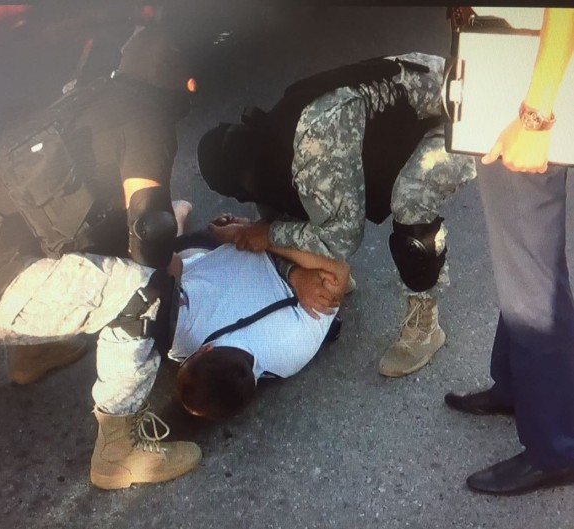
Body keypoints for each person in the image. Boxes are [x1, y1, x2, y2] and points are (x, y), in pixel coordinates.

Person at [0, 26, 202, 490]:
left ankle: (32, 353)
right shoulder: (146, 116)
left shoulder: (83, 95)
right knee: (144, 287)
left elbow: (77, 215)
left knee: (61, 237)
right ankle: (118, 451)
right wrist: (170, 261)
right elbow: (150, 232)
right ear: (187, 83)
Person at [197, 52, 476, 377]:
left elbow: (343, 236)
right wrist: (262, 230)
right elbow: (286, 199)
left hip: (457, 113)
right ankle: (321, 266)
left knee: (410, 201)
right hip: (405, 122)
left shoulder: (312, 142)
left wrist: (267, 235)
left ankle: (425, 328)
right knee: (292, 199)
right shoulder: (272, 142)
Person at [444, 8, 574, 495]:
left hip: (527, 86)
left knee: (533, 284)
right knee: (519, 261)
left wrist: (536, 116)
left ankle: (556, 448)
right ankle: (518, 387)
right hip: (506, 63)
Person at [169, 221, 350, 421]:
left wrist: (250, 235)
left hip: (231, 243)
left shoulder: (292, 356)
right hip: (248, 239)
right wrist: (261, 240)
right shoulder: (181, 334)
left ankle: (181, 215)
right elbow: (338, 272)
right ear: (205, 350)